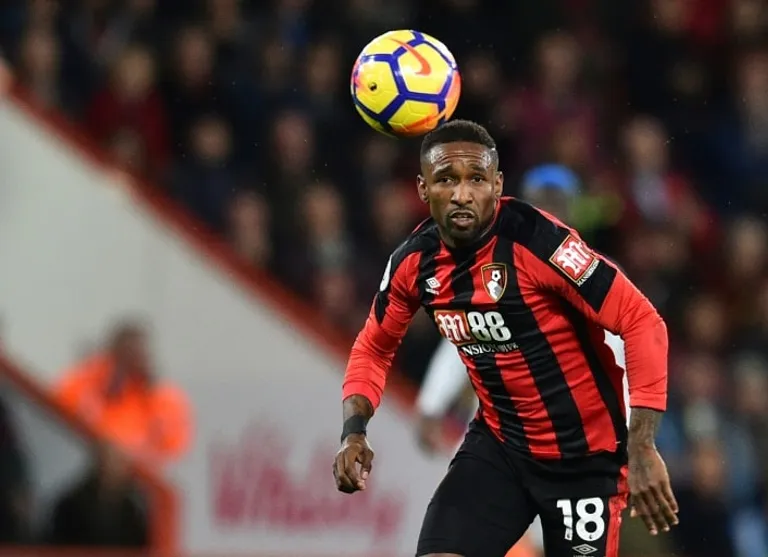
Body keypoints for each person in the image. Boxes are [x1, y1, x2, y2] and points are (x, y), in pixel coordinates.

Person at [333, 120, 677, 557]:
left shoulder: (541, 242)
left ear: (497, 185)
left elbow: (643, 321)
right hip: (500, 448)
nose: (462, 194)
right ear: (422, 188)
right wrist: (354, 432)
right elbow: (373, 346)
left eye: (476, 179)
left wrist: (642, 443)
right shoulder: (413, 262)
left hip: (586, 460)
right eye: (446, 180)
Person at [55, 320, 192, 465]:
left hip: (133, 472)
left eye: (135, 357)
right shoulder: (83, 382)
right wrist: (100, 392)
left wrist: (151, 394)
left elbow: (172, 445)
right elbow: (57, 419)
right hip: (81, 460)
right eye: (121, 359)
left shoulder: (163, 397)